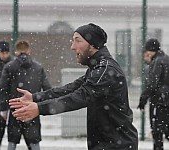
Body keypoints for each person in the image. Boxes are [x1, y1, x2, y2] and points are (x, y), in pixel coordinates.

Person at [9, 23, 138, 150]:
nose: (73, 47)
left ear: (92, 44)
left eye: (78, 41)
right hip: (108, 144)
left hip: (117, 145)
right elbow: (71, 88)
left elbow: (79, 97)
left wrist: (39, 108)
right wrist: (35, 98)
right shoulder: (97, 68)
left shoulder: (105, 71)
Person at [0, 40, 51, 150]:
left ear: (16, 52)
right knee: (34, 142)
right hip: (32, 108)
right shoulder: (38, 67)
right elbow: (47, 89)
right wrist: (43, 106)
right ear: (29, 51)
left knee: (12, 142)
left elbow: (3, 89)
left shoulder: (9, 67)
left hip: (15, 109)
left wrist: (3, 109)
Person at [137, 38, 169, 150]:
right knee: (165, 129)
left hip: (159, 101)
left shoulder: (157, 62)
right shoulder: (166, 59)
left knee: (157, 132)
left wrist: (143, 99)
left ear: (151, 51)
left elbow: (152, 84)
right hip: (165, 100)